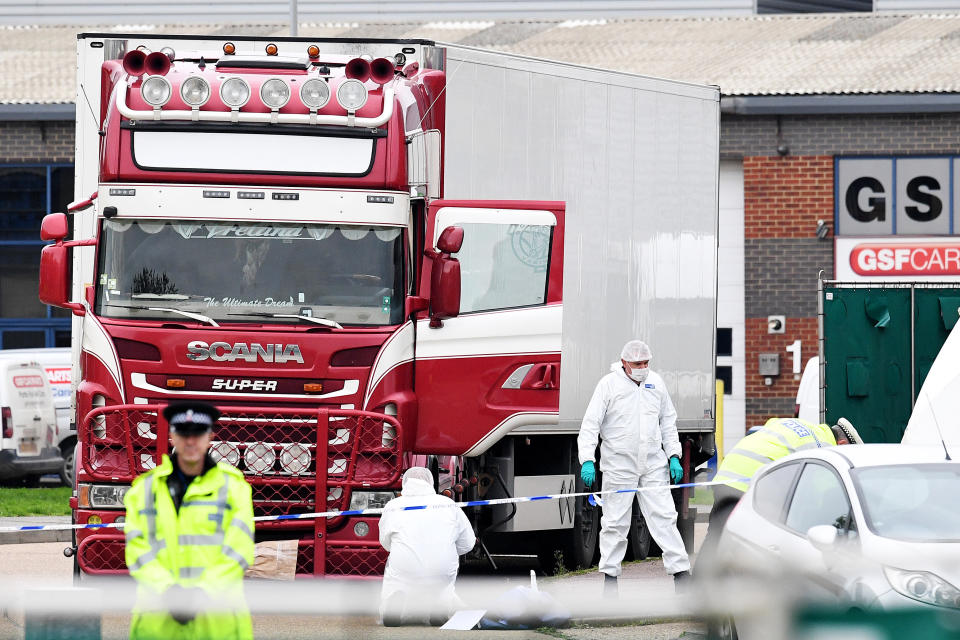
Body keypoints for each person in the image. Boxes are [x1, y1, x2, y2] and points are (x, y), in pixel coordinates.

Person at [123, 401, 255, 640]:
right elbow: (137, 549)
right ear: (172, 436)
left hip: (217, 625)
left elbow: (239, 550)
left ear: (209, 437)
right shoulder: (144, 490)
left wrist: (202, 594)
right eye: (184, 433)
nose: (191, 441)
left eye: (198, 433)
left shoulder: (234, 488)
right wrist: (168, 592)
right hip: (159, 626)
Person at [577, 339, 691, 595]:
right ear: (625, 363)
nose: (643, 367)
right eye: (638, 363)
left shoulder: (656, 383)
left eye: (646, 363)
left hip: (652, 463)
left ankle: (682, 575)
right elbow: (590, 424)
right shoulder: (608, 385)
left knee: (664, 517)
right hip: (619, 464)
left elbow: (668, 422)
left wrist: (673, 454)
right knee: (615, 522)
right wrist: (587, 459)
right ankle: (610, 580)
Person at [697, 416, 863, 574]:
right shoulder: (822, 446)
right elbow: (821, 494)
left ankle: (696, 587)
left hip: (728, 473)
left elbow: (768, 426)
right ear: (841, 443)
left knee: (716, 534)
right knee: (752, 543)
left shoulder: (802, 427)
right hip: (747, 484)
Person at [378, 467, 476, 626]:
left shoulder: (393, 505)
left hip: (404, 567)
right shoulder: (447, 504)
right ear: (431, 483)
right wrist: (446, 549)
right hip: (442, 568)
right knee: (444, 583)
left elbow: (386, 543)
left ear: (405, 483)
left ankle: (394, 600)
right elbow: (468, 543)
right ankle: (441, 606)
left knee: (396, 576)